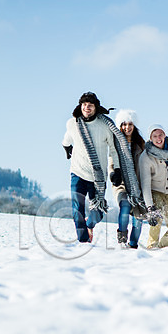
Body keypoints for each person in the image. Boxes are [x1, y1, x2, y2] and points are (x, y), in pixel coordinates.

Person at [62, 91, 122, 243]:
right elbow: (67, 139)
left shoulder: (105, 126)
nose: (87, 108)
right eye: (84, 105)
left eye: (90, 105)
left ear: (96, 107)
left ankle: (90, 224)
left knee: (97, 213)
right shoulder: (72, 123)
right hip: (77, 172)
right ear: (80, 106)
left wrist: (117, 170)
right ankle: (83, 241)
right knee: (77, 210)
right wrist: (66, 147)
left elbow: (114, 149)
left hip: (97, 177)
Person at [109, 109, 145, 248]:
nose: (127, 127)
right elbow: (111, 161)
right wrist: (113, 174)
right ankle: (122, 239)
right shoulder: (115, 143)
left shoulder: (141, 144)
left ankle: (133, 244)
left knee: (139, 217)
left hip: (137, 185)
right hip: (121, 183)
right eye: (124, 124)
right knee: (124, 206)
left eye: (130, 124)